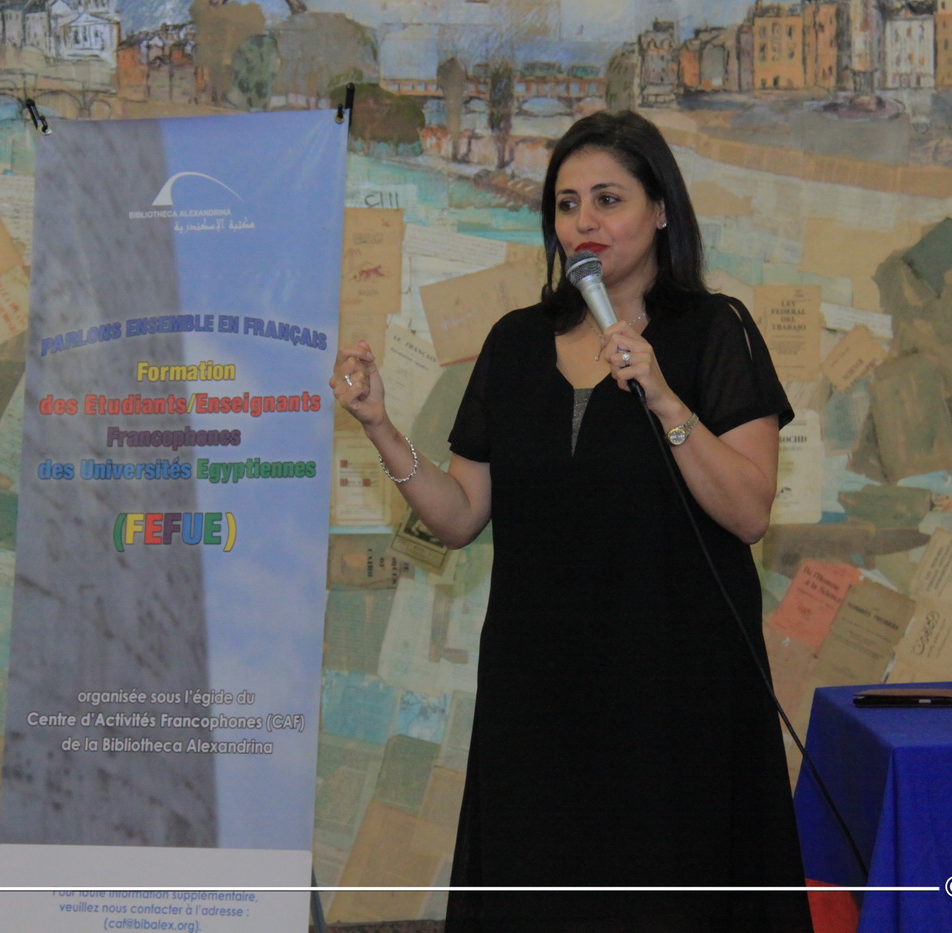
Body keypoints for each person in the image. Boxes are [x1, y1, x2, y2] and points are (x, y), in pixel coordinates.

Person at [332, 110, 812, 932]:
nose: (584, 220)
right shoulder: (515, 343)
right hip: (540, 696)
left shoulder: (714, 331)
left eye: (608, 199)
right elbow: (460, 515)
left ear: (661, 211)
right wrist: (380, 426)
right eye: (566, 203)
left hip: (673, 692)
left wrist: (664, 397)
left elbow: (747, 511)